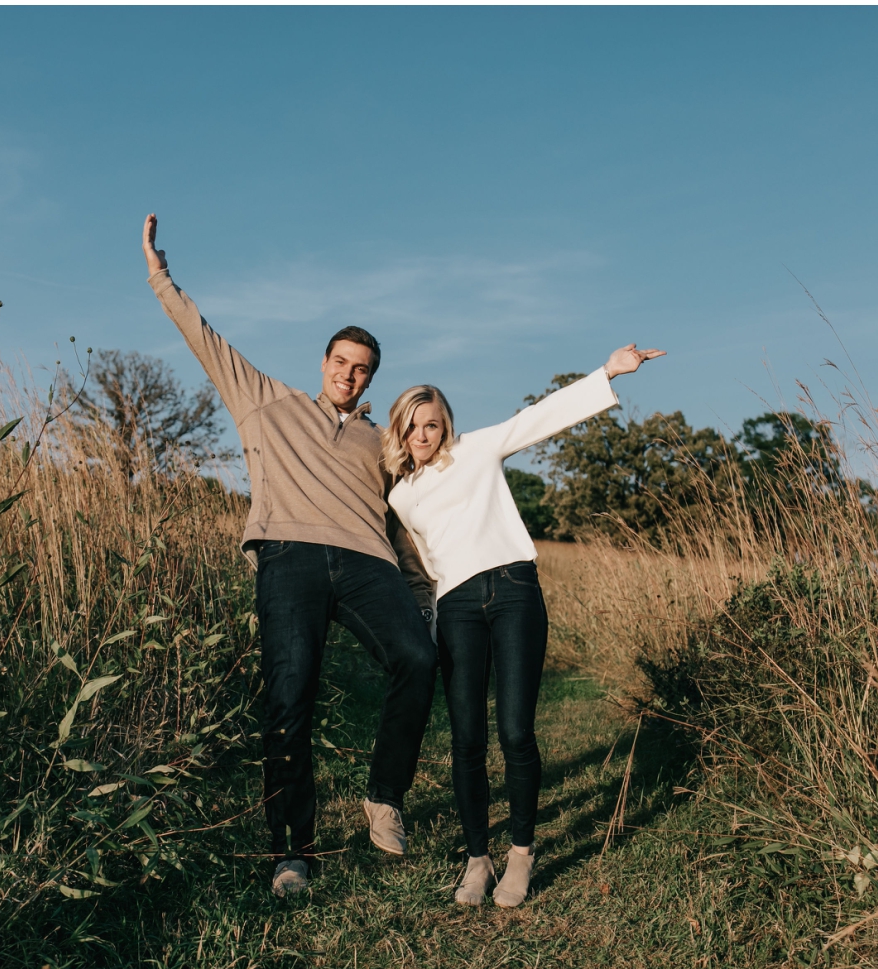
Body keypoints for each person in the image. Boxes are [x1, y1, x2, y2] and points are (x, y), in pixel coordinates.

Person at [141, 213, 437, 898]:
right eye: (340, 362)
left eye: (361, 370)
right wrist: (160, 277)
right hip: (290, 556)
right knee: (289, 696)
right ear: (324, 363)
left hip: (367, 561)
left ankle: (384, 795)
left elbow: (408, 522)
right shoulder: (266, 402)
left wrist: (425, 594)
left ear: (370, 380)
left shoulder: (381, 443)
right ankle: (291, 853)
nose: (349, 375)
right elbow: (205, 340)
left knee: (418, 657)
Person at [382, 346, 665, 908]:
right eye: (413, 426)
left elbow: (539, 418)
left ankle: (521, 854)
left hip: (513, 592)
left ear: (446, 426)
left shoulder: (477, 449)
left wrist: (607, 373)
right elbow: (425, 567)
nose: (423, 434)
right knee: (466, 739)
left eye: (432, 424)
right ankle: (477, 860)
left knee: (514, 731)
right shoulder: (401, 497)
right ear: (400, 429)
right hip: (456, 607)